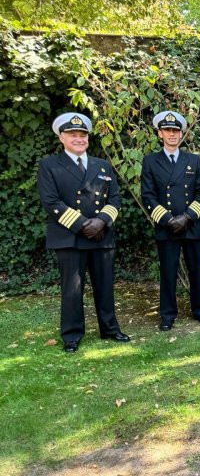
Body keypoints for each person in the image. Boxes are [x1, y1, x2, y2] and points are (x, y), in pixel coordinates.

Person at [37, 113, 130, 352]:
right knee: (72, 288)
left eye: (82, 135)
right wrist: (83, 225)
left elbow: (115, 198)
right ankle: (71, 335)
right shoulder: (49, 165)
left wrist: (101, 222)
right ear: (62, 138)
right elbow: (51, 201)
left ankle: (109, 328)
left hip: (102, 235)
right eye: (73, 135)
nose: (79, 139)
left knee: (105, 285)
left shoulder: (102, 165)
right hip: (69, 237)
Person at [141, 110, 200, 331]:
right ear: (160, 133)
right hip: (167, 227)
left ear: (181, 133)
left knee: (195, 270)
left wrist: (188, 217)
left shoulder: (194, 160)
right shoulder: (151, 161)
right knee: (168, 272)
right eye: (167, 130)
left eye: (176, 131)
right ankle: (167, 315)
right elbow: (148, 196)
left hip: (191, 225)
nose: (172, 134)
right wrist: (168, 219)